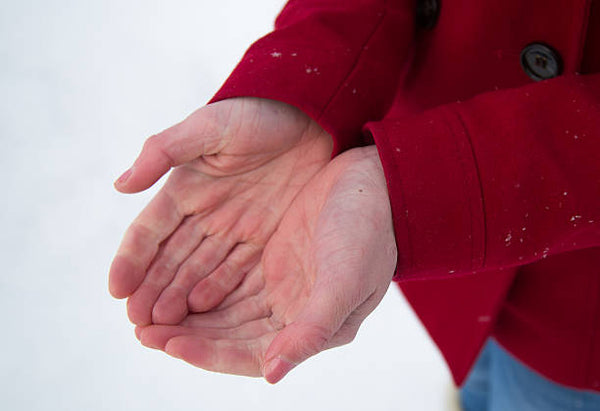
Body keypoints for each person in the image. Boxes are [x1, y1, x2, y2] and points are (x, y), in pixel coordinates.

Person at [109, 0, 600, 409]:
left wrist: (426, 184)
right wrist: (302, 93)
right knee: (478, 382)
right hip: (452, 252)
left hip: (576, 321)